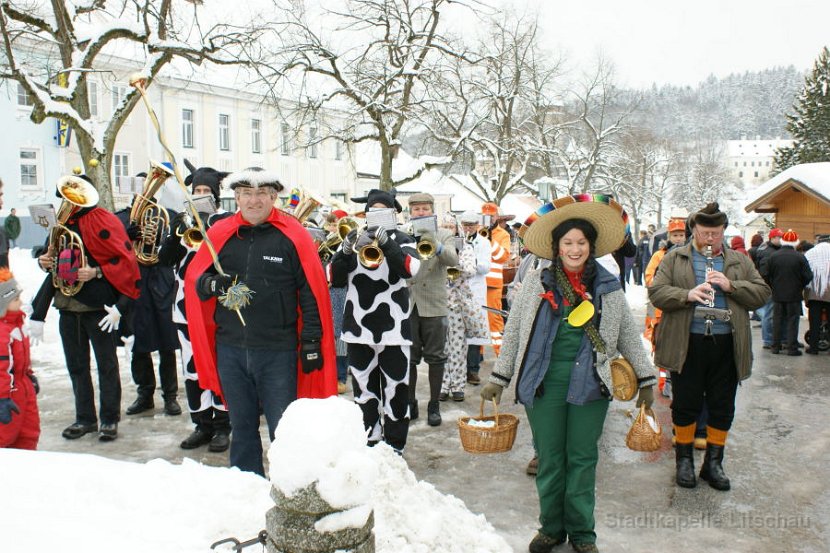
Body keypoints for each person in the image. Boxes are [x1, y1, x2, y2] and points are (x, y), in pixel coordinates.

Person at [482, 195, 656, 553]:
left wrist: (647, 378)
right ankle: (550, 528)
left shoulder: (608, 287)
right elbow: (514, 331)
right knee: (550, 459)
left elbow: (627, 336)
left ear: (591, 247)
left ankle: (581, 533)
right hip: (543, 383)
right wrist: (499, 378)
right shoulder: (536, 282)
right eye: (568, 243)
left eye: (581, 243)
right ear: (557, 247)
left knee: (582, 458)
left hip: (591, 383)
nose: (574, 249)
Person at [184, 167, 336, 476]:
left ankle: (289, 489)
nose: (254, 201)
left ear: (274, 196)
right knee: (241, 427)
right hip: (231, 348)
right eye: (247, 194)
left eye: (262, 194)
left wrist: (311, 341)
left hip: (278, 351)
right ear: (236, 196)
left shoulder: (293, 235)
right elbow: (197, 279)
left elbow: (311, 292)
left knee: (284, 429)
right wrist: (213, 285)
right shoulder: (219, 235)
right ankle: (246, 485)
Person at [649, 202, 770, 491]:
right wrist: (687, 294)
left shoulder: (739, 261)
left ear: (724, 231)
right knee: (685, 404)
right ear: (694, 231)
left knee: (722, 404)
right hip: (686, 343)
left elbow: (763, 294)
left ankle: (713, 463)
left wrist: (731, 287)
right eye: (705, 233)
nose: (710, 239)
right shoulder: (675, 258)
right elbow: (656, 292)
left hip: (726, 344)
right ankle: (684, 460)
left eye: (715, 233)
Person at [31, 174, 141, 442]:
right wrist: (44, 261)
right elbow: (50, 258)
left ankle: (109, 419)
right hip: (67, 306)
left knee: (106, 365)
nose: (69, 202)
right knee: (76, 366)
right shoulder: (62, 225)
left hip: (97, 308)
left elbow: (125, 260)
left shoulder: (104, 220)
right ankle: (85, 418)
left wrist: (97, 272)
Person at [330, 189, 421, 451]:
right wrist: (346, 250)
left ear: (393, 214)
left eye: (384, 210)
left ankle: (394, 445)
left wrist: (387, 242)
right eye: (373, 211)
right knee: (364, 391)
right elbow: (334, 278)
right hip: (358, 330)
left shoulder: (404, 239)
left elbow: (410, 269)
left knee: (396, 389)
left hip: (394, 330)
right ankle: (369, 439)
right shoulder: (355, 239)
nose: (378, 215)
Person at [158, 161, 233, 452]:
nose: (201, 194)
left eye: (206, 190)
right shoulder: (182, 219)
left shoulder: (226, 221)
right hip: (185, 307)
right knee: (192, 369)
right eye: (197, 190)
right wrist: (178, 232)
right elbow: (165, 259)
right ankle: (201, 423)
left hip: (217, 308)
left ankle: (222, 425)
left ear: (216, 194)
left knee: (218, 367)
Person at [116, 180, 182, 417]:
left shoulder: (168, 214)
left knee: (167, 343)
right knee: (139, 344)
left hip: (162, 282)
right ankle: (145, 394)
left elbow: (176, 243)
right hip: (137, 283)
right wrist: (127, 235)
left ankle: (171, 396)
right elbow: (114, 247)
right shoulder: (123, 218)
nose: (146, 193)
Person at [406, 193, 458, 426]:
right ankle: (410, 402)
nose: (421, 213)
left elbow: (453, 260)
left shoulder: (445, 234)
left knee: (436, 359)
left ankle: (434, 405)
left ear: (432, 211)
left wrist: (434, 243)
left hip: (435, 305)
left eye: (425, 209)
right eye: (416, 209)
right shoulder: (404, 233)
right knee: (409, 359)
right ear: (410, 212)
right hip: (409, 304)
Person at [440, 217, 489, 402]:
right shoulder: (434, 246)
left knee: (458, 346)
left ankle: (458, 385)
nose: (447, 229)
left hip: (458, 304)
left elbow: (470, 270)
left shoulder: (466, 247)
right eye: (444, 226)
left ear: (456, 228)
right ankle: (443, 385)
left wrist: (455, 260)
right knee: (441, 348)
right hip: (438, 303)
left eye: (450, 226)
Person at [0, 269, 39, 449]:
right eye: (16, 299)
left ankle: (27, 467)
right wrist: (2, 397)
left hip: (23, 387)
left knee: (29, 432)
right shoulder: (2, 332)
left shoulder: (17, 323)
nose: (21, 302)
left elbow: (21, 357)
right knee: (5, 435)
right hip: (8, 393)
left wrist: (28, 375)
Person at [457, 211, 491, 385]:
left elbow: (485, 268)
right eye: (465, 225)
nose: (468, 228)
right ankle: (458, 371)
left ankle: (473, 370)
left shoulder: (484, 243)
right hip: (457, 291)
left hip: (475, 291)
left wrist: (470, 259)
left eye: (471, 225)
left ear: (477, 225)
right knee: (457, 332)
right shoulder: (455, 240)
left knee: (475, 332)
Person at [766, 230, 812, 356]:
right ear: (795, 243)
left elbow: (766, 274)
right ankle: (791, 347)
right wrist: (800, 285)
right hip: (794, 294)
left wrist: (773, 285)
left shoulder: (774, 256)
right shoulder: (800, 257)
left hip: (777, 293)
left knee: (777, 320)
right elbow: (808, 276)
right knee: (792, 320)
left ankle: (775, 346)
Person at [481, 202, 511, 356]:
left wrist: (488, 240)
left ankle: (501, 356)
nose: (488, 219)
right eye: (485, 216)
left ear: (497, 216)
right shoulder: (476, 231)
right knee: (477, 320)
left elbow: (502, 257)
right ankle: (476, 358)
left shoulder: (503, 234)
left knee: (494, 320)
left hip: (492, 285)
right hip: (476, 284)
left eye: (491, 216)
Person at [756, 228, 783, 348]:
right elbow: (764, 272)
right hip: (770, 287)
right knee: (769, 314)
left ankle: (770, 338)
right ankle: (768, 339)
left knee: (770, 313)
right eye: (779, 237)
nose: (781, 240)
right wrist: (771, 284)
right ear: (772, 238)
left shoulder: (769, 250)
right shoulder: (768, 252)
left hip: (772, 286)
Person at [804, 235, 830, 354]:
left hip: (814, 293)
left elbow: (805, 272)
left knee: (814, 322)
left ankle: (813, 347)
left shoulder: (810, 253)